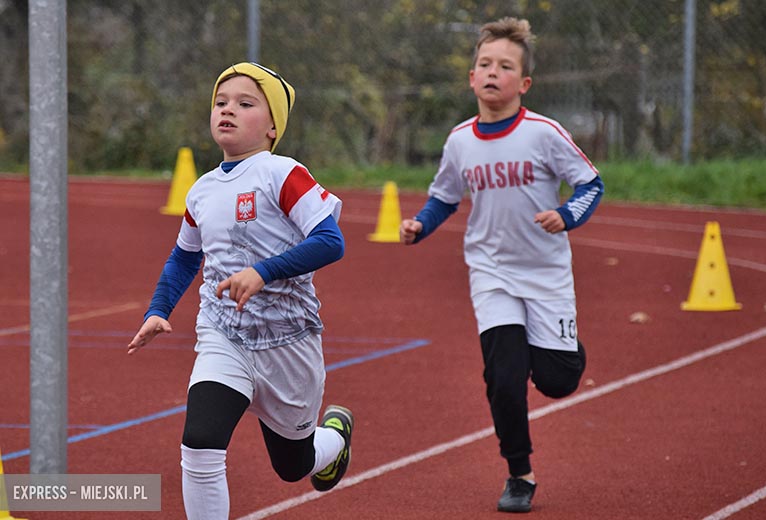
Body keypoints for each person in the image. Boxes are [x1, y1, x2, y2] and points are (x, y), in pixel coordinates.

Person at [127, 62, 353, 520]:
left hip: (288, 342)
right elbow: (185, 257)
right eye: (220, 102)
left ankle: (336, 436)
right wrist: (158, 308)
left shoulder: (282, 173)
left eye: (245, 103)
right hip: (223, 333)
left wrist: (263, 272)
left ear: (272, 127)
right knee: (200, 442)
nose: (227, 110)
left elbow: (331, 241)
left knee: (294, 466)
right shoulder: (202, 191)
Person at [400, 18, 604, 513]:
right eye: (485, 65)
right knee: (504, 378)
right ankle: (519, 474)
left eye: (505, 66)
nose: (493, 73)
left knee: (557, 380)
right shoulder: (460, 142)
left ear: (524, 83)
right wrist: (421, 226)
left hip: (545, 273)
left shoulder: (544, 134)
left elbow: (591, 184)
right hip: (490, 272)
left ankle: (559, 346)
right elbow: (444, 197)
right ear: (471, 78)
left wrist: (565, 215)